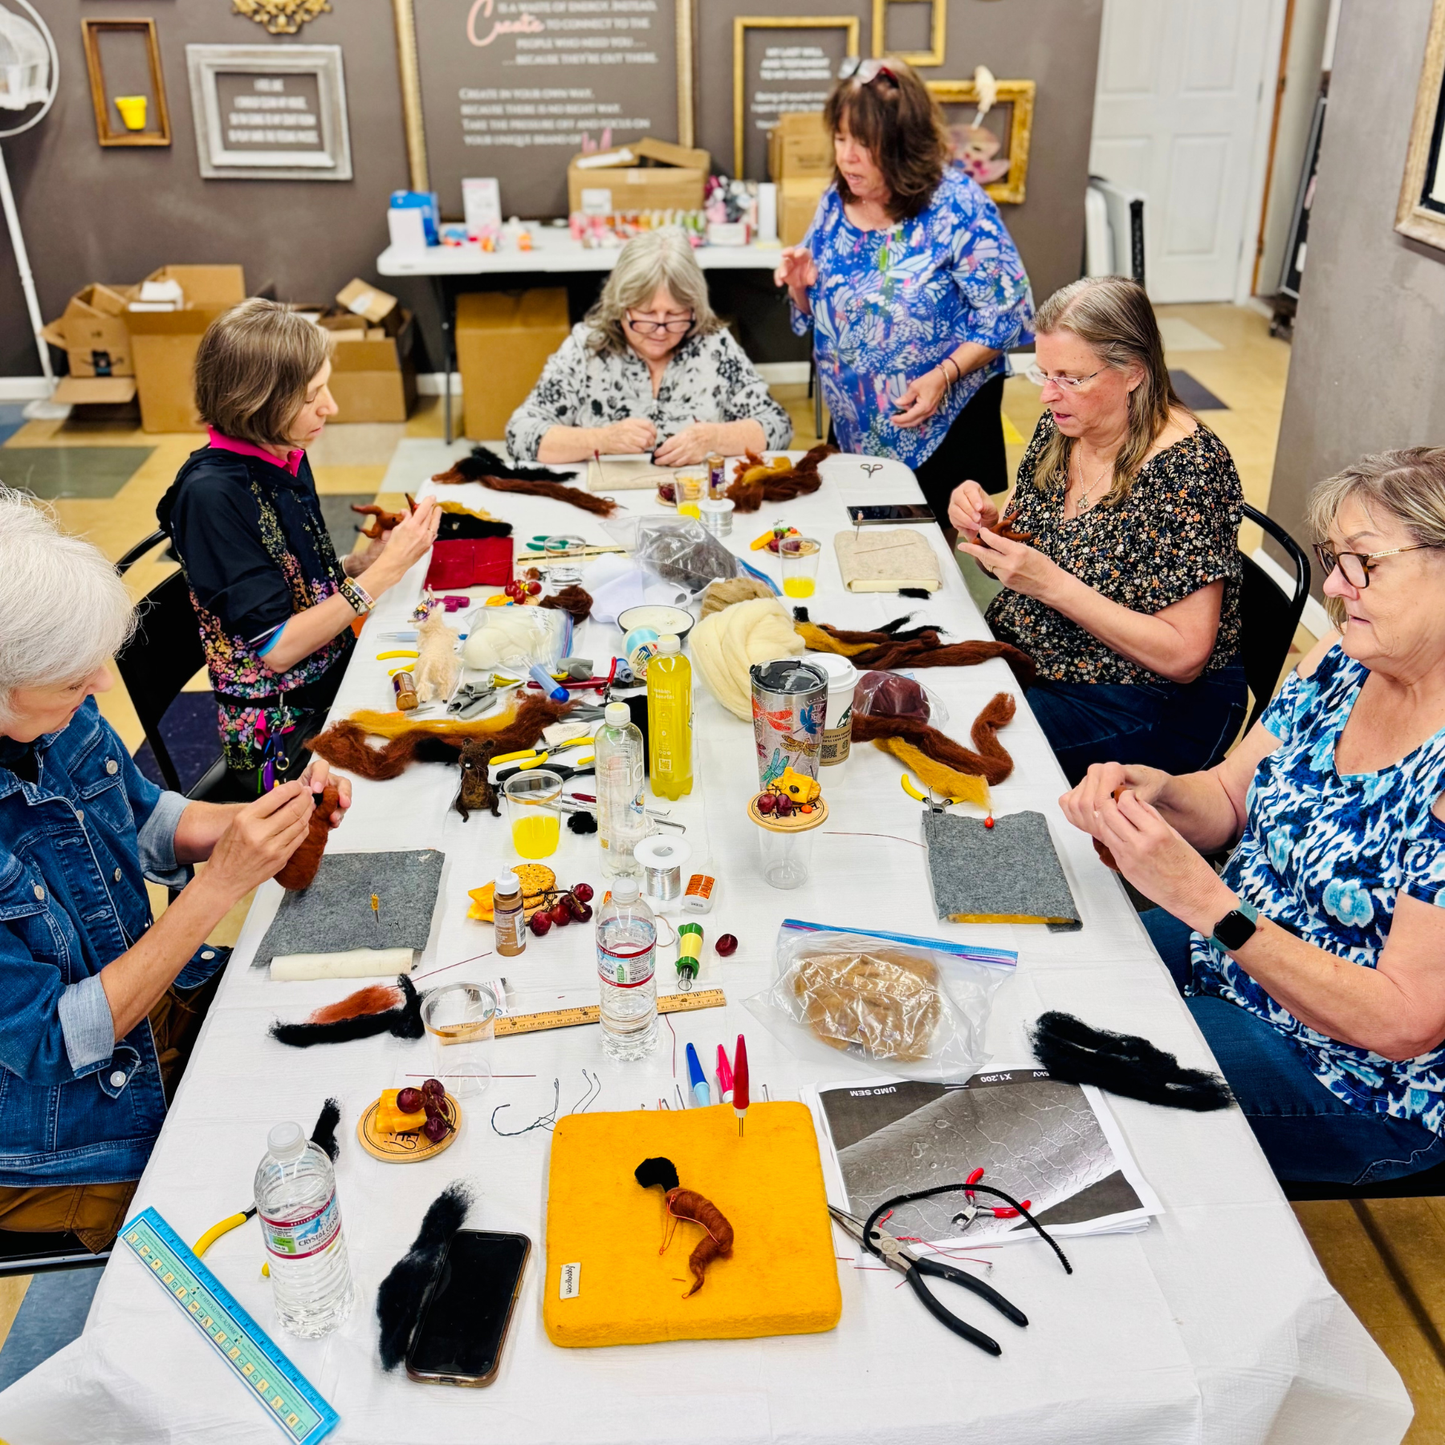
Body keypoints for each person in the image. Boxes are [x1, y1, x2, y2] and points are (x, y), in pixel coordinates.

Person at [1059, 449, 1445, 1186]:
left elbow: (1402, 1023)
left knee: (1080, 1086)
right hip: (1233, 957)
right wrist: (1161, 792)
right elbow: (1230, 798)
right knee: (1060, 976)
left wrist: (1209, 904)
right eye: (1334, 559)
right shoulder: (1342, 659)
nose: (1335, 587)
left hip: (1356, 1077)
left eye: (1364, 563)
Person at [0, 490, 349, 1251]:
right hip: (65, 1125)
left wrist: (267, 817)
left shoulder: (51, 710)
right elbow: (56, 1043)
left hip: (150, 1008)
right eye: (71, 676)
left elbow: (144, 819)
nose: (100, 683)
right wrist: (220, 885)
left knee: (343, 1062)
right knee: (281, 1211)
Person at [949, 277, 1246, 784]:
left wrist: (1051, 584)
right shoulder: (1065, 426)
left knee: (959, 746)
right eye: (1043, 373)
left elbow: (1183, 657)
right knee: (924, 700)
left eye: (1069, 377)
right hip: (1043, 655)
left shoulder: (1189, 470)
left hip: (1146, 700)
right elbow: (1026, 544)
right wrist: (987, 528)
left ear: (1133, 372)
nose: (1048, 395)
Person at [158, 299, 442, 795]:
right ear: (258, 402)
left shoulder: (283, 452)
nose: (330, 407)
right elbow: (279, 648)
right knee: (435, 775)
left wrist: (364, 562)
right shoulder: (211, 498)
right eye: (312, 396)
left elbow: (296, 585)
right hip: (281, 735)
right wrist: (387, 572)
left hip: (330, 684)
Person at [774, 57, 1032, 531]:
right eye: (840, 139)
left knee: (927, 552)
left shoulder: (957, 205)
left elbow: (1008, 313)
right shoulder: (836, 201)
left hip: (942, 417)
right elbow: (814, 315)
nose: (847, 157)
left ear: (904, 144)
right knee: (863, 540)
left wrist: (943, 375)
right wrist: (799, 284)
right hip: (856, 416)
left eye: (865, 144)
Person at [507, 228, 792, 466]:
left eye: (675, 315)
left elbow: (777, 426)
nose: (660, 330)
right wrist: (600, 440)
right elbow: (520, 434)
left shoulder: (714, 345)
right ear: (621, 306)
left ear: (694, 308)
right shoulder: (587, 347)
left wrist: (713, 438)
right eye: (646, 314)